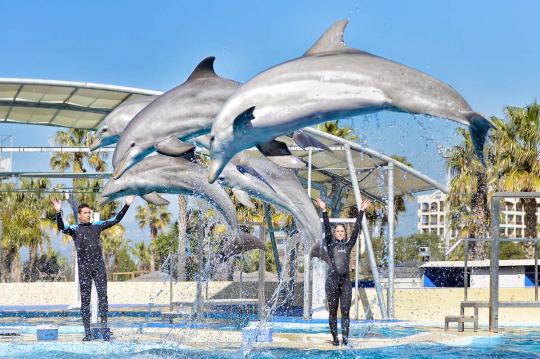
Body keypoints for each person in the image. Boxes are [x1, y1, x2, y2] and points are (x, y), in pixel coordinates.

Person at [52, 195, 134, 341]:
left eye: (89, 213)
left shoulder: (97, 226)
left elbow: (115, 220)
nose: (88, 215)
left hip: (98, 267)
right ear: (79, 215)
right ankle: (87, 333)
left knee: (103, 298)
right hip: (84, 269)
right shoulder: (74, 229)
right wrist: (58, 212)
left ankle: (104, 330)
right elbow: (61, 227)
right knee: (85, 300)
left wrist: (127, 204)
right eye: (85, 213)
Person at [315, 197, 371, 346]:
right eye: (338, 231)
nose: (340, 233)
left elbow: (357, 229)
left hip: (345, 281)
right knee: (333, 312)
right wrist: (324, 211)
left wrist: (361, 212)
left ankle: (345, 340)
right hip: (332, 282)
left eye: (342, 231)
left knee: (345, 311)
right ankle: (335, 339)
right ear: (334, 233)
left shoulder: (348, 245)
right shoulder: (330, 243)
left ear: (345, 234)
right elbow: (327, 227)